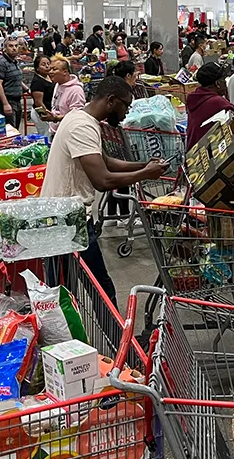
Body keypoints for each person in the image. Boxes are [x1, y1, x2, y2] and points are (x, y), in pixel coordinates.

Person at [39, 75, 167, 306]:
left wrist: (145, 165)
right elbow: (102, 179)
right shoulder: (81, 127)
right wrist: (145, 174)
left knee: (65, 290)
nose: (127, 111)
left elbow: (106, 162)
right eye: (126, 104)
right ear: (111, 100)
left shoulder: (81, 118)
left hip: (62, 216)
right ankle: (118, 340)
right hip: (68, 221)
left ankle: (70, 337)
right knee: (100, 289)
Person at [185, 62, 234, 148]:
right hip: (207, 156)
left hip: (194, 156)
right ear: (217, 83)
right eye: (223, 79)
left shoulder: (196, 97)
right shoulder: (217, 102)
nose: (225, 83)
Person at [0, 37, 25, 128]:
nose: (14, 48)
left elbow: (16, 78)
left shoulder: (14, 61)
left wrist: (27, 89)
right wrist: (5, 104)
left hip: (17, 101)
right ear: (4, 48)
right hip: (7, 100)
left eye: (16, 46)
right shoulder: (0, 63)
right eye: (11, 46)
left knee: (15, 129)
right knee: (10, 131)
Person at [40, 57, 87, 126]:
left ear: (65, 71)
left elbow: (77, 116)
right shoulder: (57, 84)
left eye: (54, 69)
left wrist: (56, 118)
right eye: (50, 69)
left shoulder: (76, 91)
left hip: (67, 133)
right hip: (54, 132)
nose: (50, 72)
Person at [29, 55, 55, 134]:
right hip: (40, 114)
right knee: (46, 135)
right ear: (37, 68)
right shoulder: (38, 82)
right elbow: (38, 103)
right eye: (43, 65)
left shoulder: (49, 76)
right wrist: (47, 115)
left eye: (48, 63)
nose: (47, 66)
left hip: (51, 111)